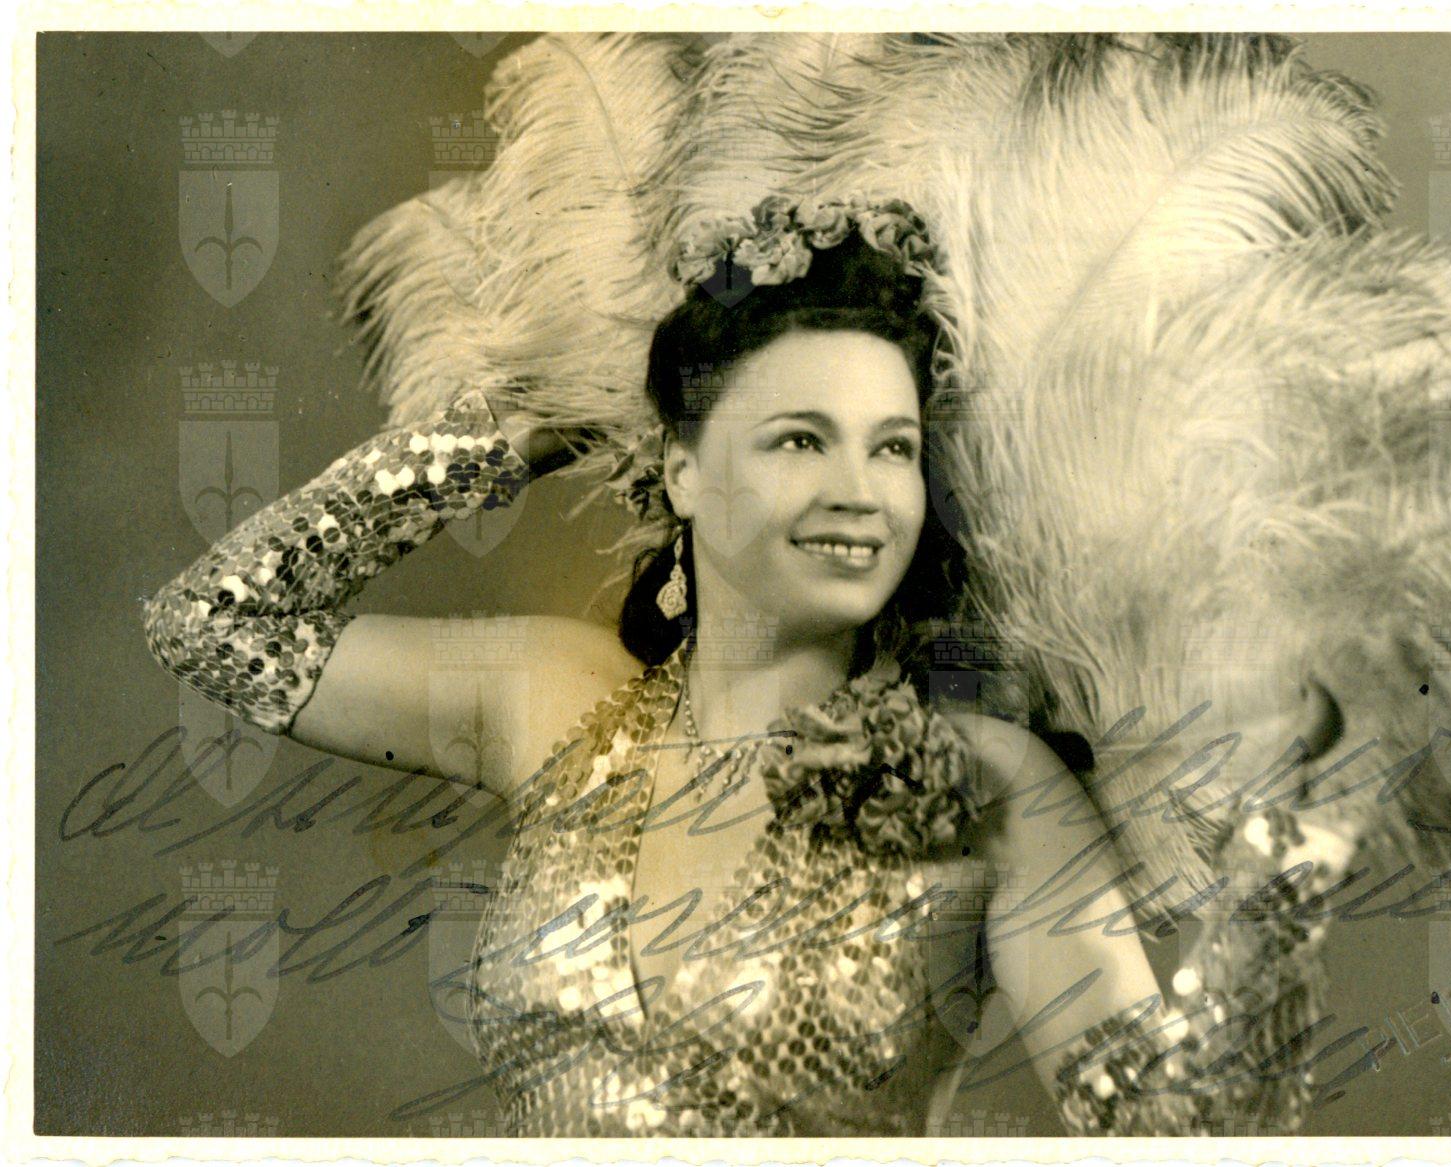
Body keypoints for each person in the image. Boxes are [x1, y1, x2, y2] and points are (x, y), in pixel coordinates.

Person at [142, 195, 1204, 1137]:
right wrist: (508, 437)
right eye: (801, 440)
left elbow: (1166, 1132)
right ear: (684, 470)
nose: (859, 491)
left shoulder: (989, 780)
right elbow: (213, 625)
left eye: (893, 447)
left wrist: (1273, 898)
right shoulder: (550, 698)